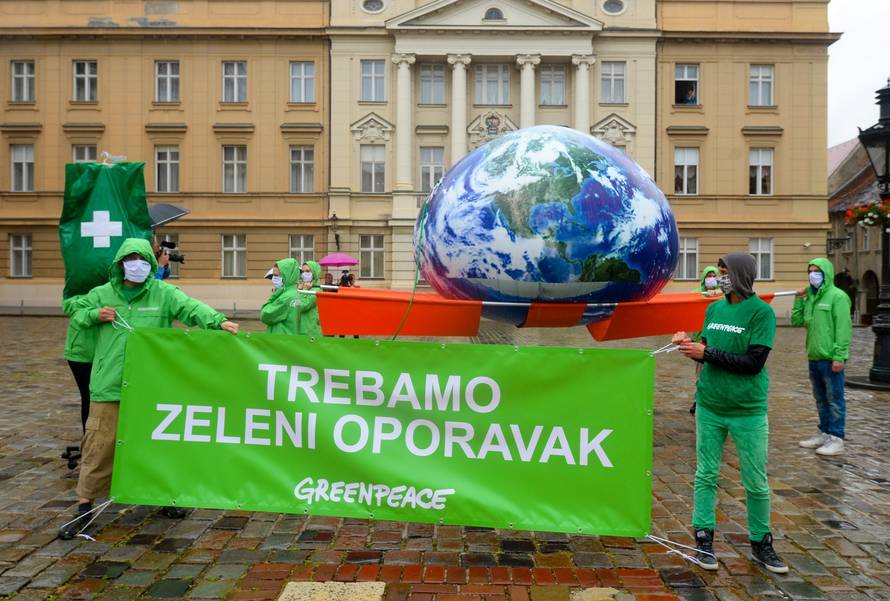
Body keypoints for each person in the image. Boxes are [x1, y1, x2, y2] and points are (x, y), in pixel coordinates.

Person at [59, 238, 239, 540]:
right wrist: (94, 315)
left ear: (151, 264)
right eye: (131, 259)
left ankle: (165, 497)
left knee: (157, 443)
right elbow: (75, 310)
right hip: (109, 385)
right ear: (120, 264)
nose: (137, 265)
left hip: (151, 385)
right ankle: (84, 507)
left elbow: (190, 307)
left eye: (143, 260)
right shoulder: (102, 294)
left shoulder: (163, 293)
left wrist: (218, 322)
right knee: (98, 445)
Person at [672, 252, 787, 574]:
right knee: (705, 475)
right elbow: (706, 348)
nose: (720, 277)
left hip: (747, 410)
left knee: (755, 481)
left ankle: (761, 543)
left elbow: (753, 363)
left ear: (741, 275)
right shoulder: (714, 309)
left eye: (725, 272)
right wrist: (687, 344)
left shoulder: (761, 313)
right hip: (710, 405)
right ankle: (703, 539)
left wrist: (706, 352)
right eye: (719, 271)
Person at [792, 258, 852, 456]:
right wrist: (799, 300)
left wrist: (839, 356)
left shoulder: (838, 297)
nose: (813, 274)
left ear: (826, 273)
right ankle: (824, 432)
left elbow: (843, 329)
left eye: (817, 271)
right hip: (814, 357)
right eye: (810, 271)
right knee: (820, 399)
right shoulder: (810, 297)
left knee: (835, 399)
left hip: (830, 358)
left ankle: (836, 438)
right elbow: (797, 321)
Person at [687, 265, 723, 414]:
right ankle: (699, 400)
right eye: (709, 276)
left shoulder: (722, 294)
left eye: (714, 276)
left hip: (718, 339)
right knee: (700, 374)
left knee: (717, 372)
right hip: (700, 339)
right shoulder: (697, 293)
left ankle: (715, 400)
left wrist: (718, 293)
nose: (711, 278)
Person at [260, 258, 301, 334]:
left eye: (276, 275)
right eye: (273, 275)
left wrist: (275, 295)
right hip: (289, 335)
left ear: (287, 276)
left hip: (280, 336)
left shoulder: (285, 297)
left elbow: (265, 315)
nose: (273, 278)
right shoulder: (295, 293)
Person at [296, 261, 323, 337]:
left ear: (314, 273)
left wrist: (302, 291)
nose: (304, 274)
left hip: (310, 330)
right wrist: (300, 290)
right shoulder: (302, 287)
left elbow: (301, 306)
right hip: (301, 328)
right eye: (303, 271)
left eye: (307, 271)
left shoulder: (316, 290)